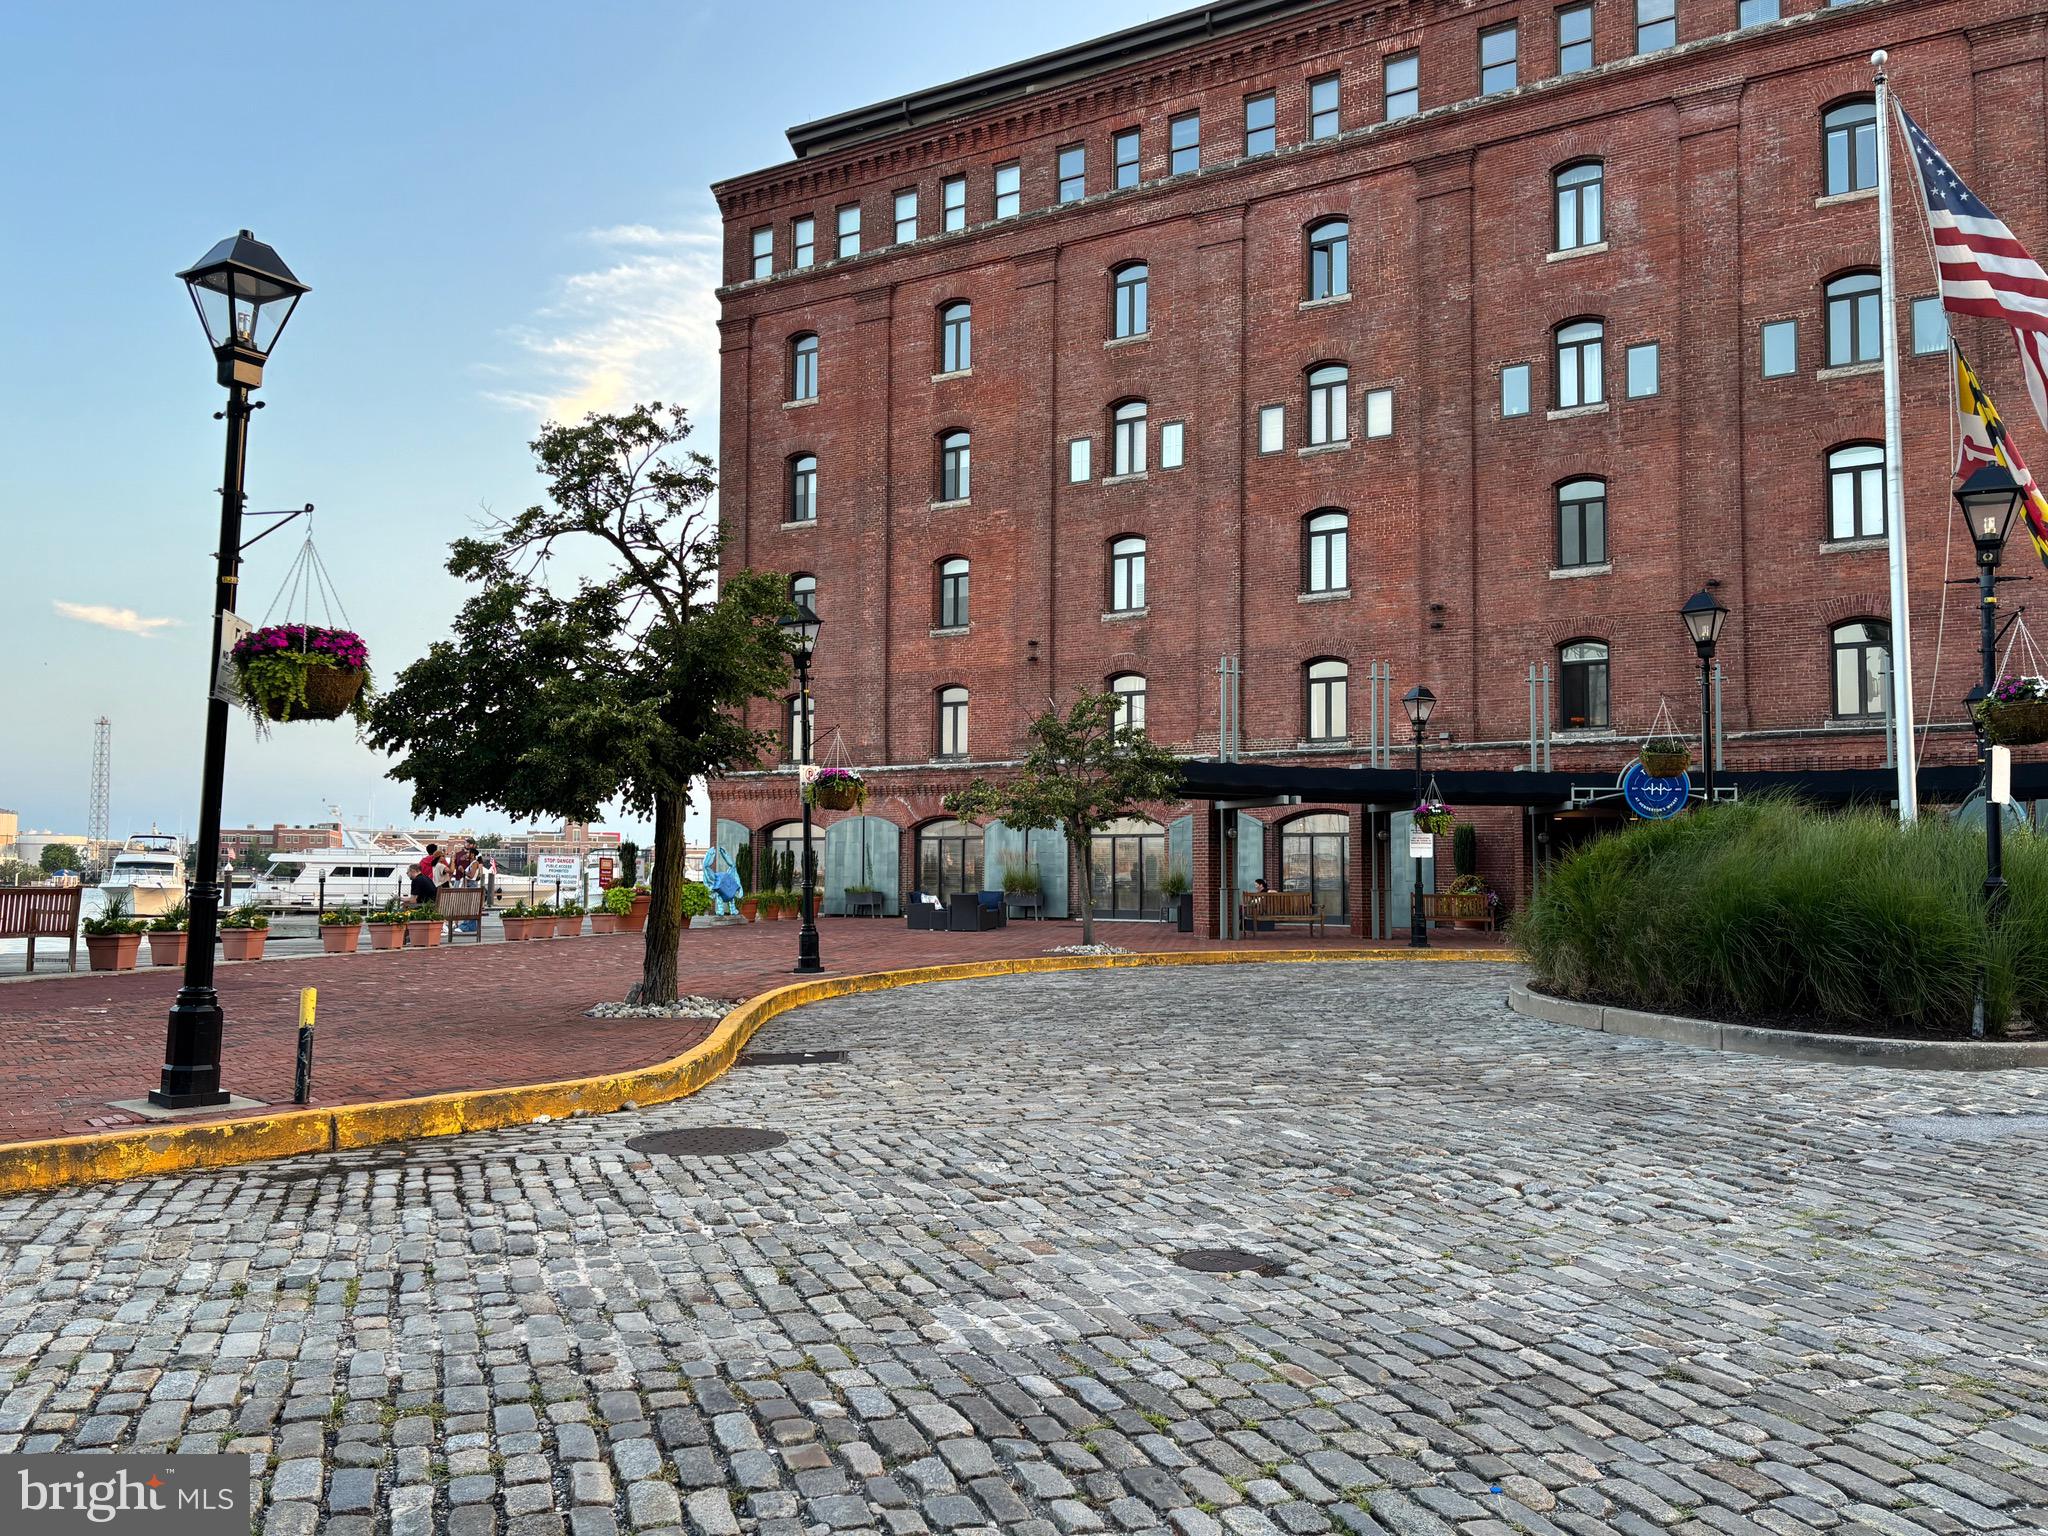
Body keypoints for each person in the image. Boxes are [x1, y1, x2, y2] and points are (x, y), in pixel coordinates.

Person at [702, 846, 742, 916]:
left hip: (726, 894)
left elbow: (706, 869)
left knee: (721, 897)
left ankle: (725, 910)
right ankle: (730, 910)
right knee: (726, 898)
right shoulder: (722, 878)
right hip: (728, 894)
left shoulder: (718, 879)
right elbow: (732, 867)